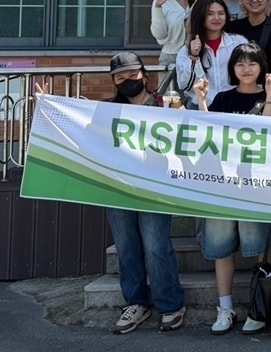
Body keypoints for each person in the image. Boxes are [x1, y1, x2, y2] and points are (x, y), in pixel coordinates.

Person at [35, 53, 186, 333]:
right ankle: (136, 303)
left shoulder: (165, 104)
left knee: (156, 246)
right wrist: (49, 106)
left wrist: (181, 116)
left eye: (132, 74)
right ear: (113, 80)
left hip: (156, 189)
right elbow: (77, 131)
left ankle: (171, 304)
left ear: (144, 74)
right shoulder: (105, 111)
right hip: (117, 190)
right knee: (127, 247)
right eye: (120, 76)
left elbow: (188, 138)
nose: (127, 80)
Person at [192, 43, 271, 335]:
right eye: (240, 63)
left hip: (256, 185)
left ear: (261, 67)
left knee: (260, 246)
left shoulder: (269, 97)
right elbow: (207, 135)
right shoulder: (223, 98)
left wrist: (269, 95)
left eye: (252, 63)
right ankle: (225, 307)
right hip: (222, 184)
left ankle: (259, 306)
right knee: (220, 247)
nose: (246, 68)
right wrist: (202, 101)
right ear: (232, 68)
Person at [175, 0, 249, 108]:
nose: (217, 18)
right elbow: (185, 85)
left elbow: (250, 75)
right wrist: (194, 57)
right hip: (199, 106)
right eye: (210, 14)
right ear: (200, 16)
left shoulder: (238, 42)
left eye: (221, 13)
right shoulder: (186, 50)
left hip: (233, 106)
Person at [150, 0, 199, 68]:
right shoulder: (162, 3)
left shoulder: (199, 0)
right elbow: (159, 34)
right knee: (168, 86)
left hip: (195, 55)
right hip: (169, 56)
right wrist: (158, 7)